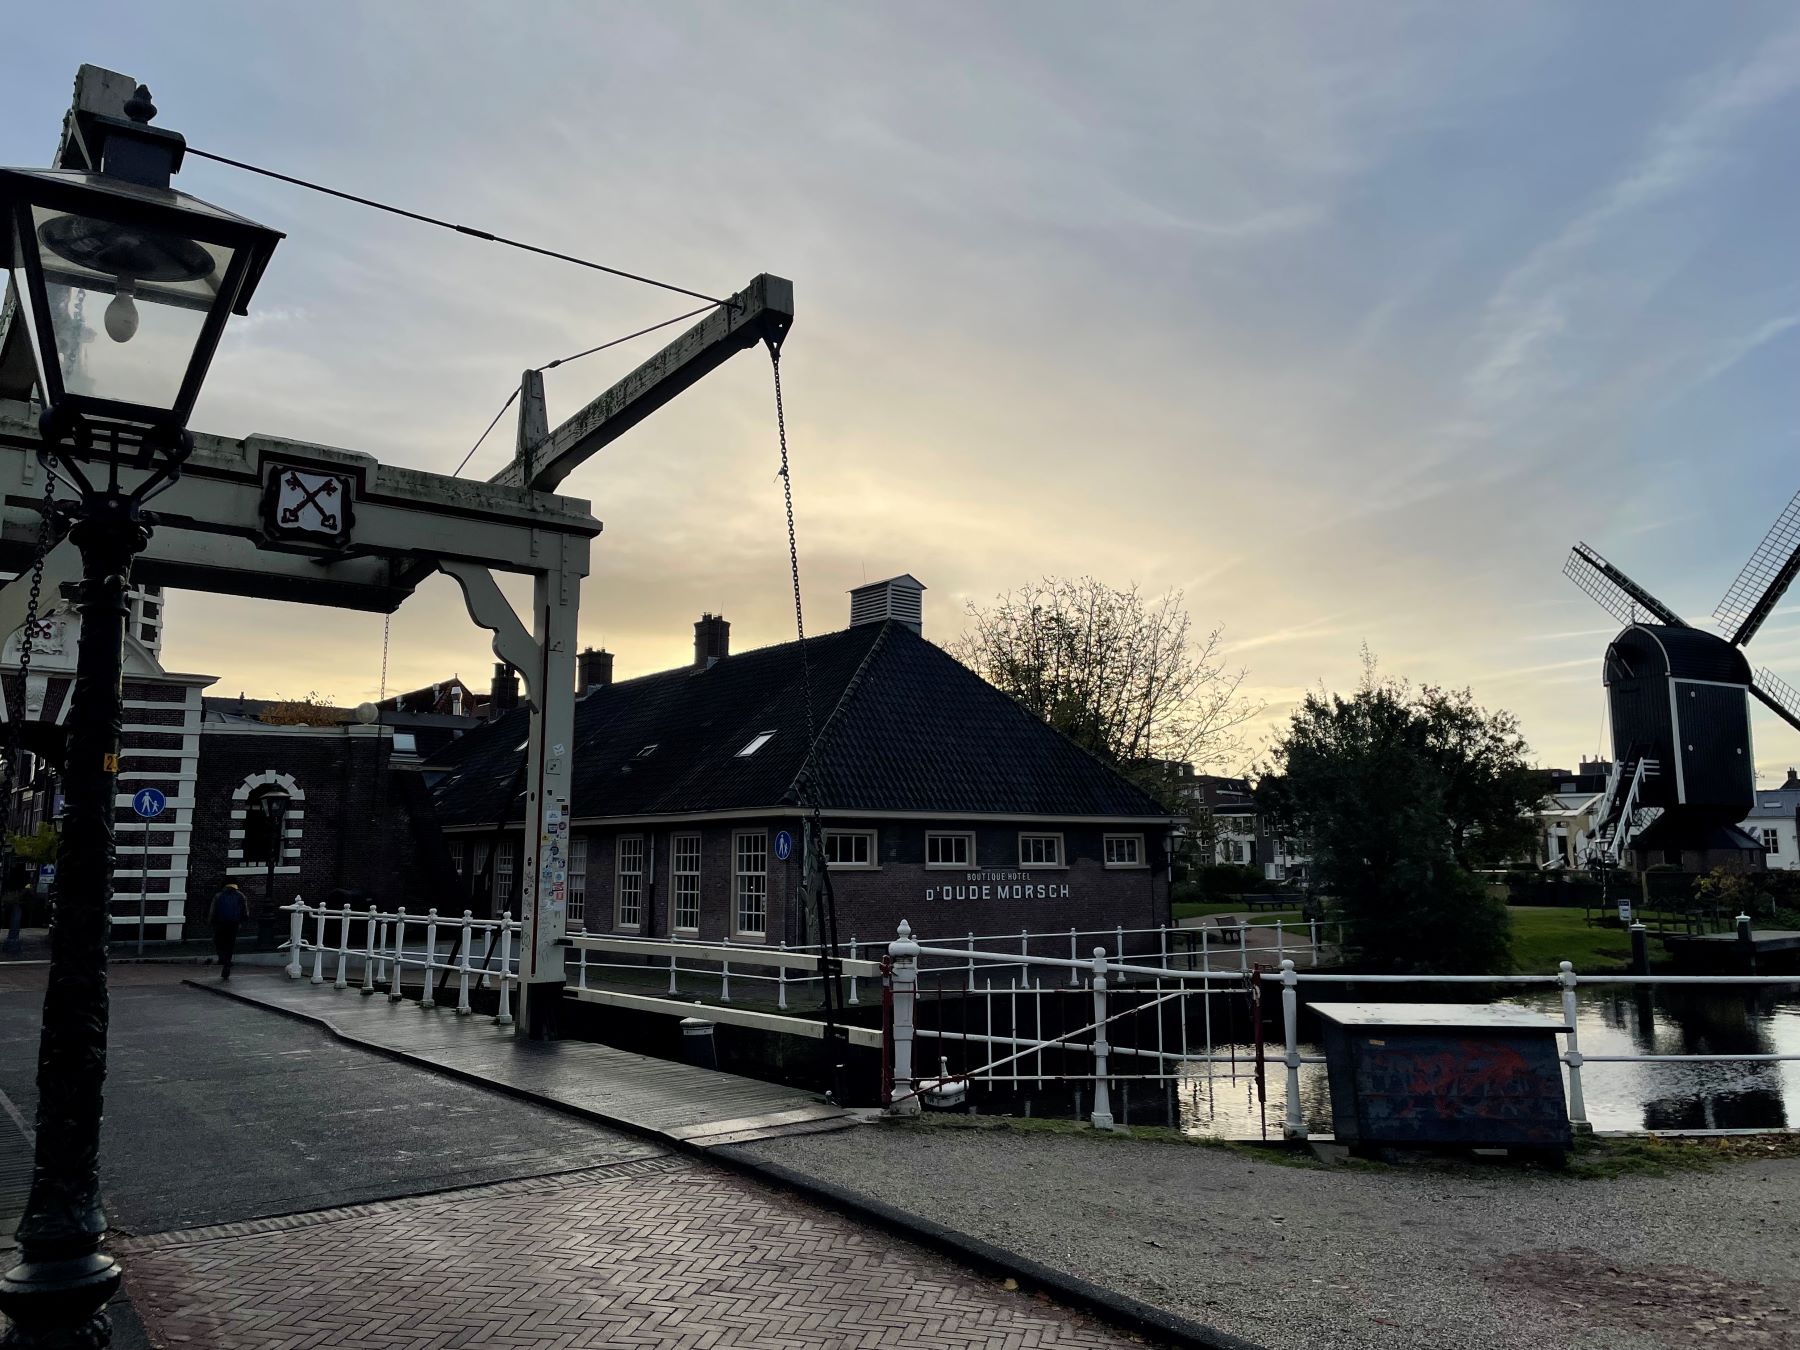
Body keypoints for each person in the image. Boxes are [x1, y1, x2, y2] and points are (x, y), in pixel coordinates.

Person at [209, 881, 248, 979]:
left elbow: (212, 910)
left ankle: (222, 958)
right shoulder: (241, 896)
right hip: (234, 923)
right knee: (230, 943)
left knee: (218, 940)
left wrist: (210, 921)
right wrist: (242, 921)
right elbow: (245, 911)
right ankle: (227, 962)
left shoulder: (218, 895)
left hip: (220, 923)